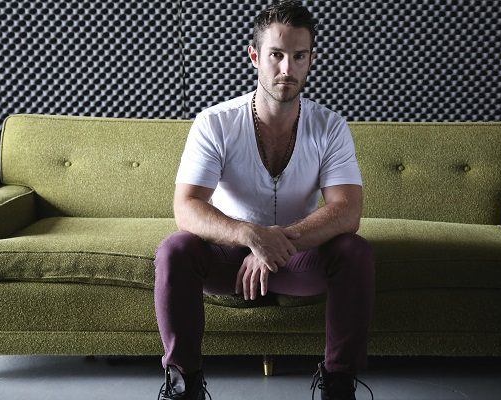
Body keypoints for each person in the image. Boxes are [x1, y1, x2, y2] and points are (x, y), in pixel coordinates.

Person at [154, 1, 375, 399]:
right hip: (228, 257)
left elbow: (347, 210)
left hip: (298, 257)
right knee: (175, 249)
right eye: (276, 55)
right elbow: (186, 207)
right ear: (255, 56)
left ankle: (339, 384)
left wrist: (274, 245)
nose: (287, 68)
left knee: (354, 250)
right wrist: (250, 236)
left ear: (311, 60)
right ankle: (183, 384)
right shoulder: (215, 123)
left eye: (299, 56)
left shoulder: (330, 127)